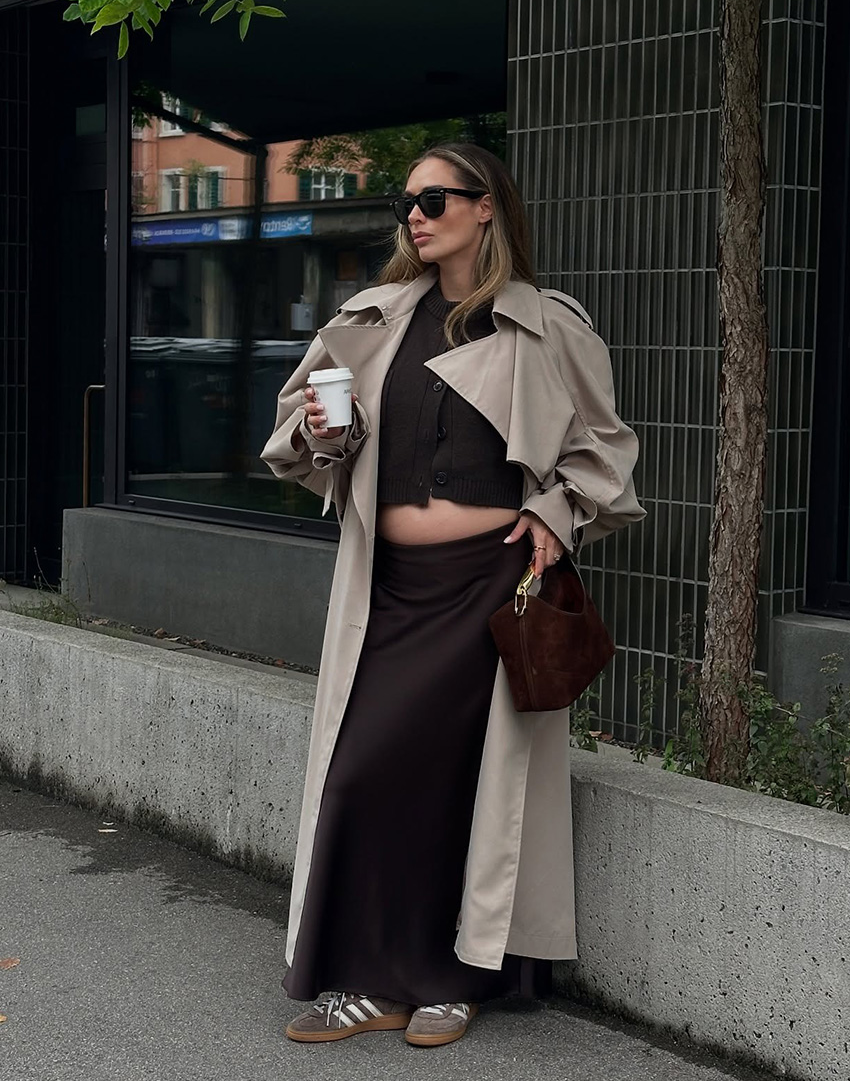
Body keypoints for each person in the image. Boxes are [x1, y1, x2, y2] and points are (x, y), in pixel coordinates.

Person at [260, 142, 645, 1048]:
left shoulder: (546, 325)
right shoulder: (375, 317)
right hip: (386, 587)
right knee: (361, 773)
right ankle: (369, 978)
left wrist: (556, 511)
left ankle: (448, 980)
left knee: (453, 786)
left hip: (488, 588)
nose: (417, 216)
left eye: (436, 199)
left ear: (486, 208)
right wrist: (322, 428)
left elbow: (605, 451)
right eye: (409, 204)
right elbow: (308, 446)